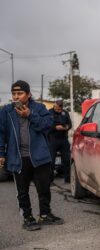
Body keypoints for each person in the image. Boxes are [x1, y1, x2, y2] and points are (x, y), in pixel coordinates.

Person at [0, 80, 63, 231]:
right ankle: (27, 217)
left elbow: (47, 125)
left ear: (28, 94)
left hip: (39, 156)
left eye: (20, 93)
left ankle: (45, 215)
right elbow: (1, 134)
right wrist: (1, 153)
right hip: (18, 158)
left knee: (44, 188)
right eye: (14, 94)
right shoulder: (6, 111)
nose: (16, 96)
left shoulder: (39, 108)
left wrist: (30, 115)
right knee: (22, 191)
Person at [48, 100, 72, 183]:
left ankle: (68, 179)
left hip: (63, 139)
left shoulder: (65, 113)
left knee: (67, 160)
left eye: (60, 109)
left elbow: (70, 124)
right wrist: (55, 128)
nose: (58, 111)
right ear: (54, 106)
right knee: (51, 161)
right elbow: (46, 125)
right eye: (57, 109)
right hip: (52, 139)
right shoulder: (49, 113)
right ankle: (50, 180)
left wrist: (66, 127)